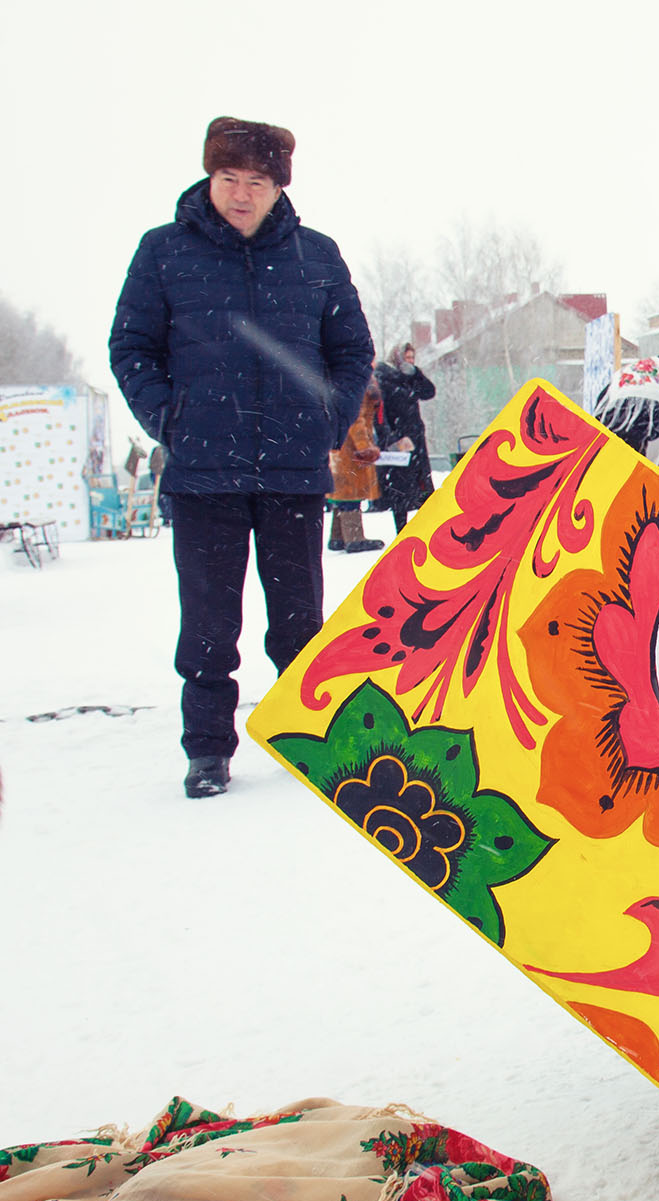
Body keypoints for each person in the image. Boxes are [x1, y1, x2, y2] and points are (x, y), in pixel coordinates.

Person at [110, 116, 373, 799]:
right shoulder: (164, 252)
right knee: (206, 627)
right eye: (229, 178)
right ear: (209, 177)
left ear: (278, 188)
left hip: (291, 472)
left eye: (257, 182)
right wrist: (171, 417)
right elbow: (131, 347)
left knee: (299, 623)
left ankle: (307, 737)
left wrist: (327, 417)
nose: (241, 194)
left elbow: (351, 353)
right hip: (203, 476)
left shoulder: (316, 257)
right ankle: (207, 752)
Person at [373, 342, 436, 532]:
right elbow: (380, 413)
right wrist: (391, 437)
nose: (410, 361)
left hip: (416, 438)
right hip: (399, 441)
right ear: (398, 358)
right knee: (400, 487)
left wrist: (416, 372)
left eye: (412, 358)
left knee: (423, 484)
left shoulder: (410, 379)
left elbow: (429, 392)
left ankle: (428, 528)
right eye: (407, 358)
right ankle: (401, 528)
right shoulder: (386, 379)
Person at [328, 375, 387, 555]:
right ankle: (354, 538)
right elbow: (356, 419)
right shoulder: (357, 383)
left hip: (341, 447)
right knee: (351, 493)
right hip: (351, 448)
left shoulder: (345, 382)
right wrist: (365, 447)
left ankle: (337, 537)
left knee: (343, 491)